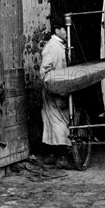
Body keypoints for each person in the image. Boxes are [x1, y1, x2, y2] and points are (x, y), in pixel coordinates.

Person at [39, 17, 74, 169]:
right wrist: (54, 87)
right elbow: (44, 71)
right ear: (57, 30)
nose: (66, 32)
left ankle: (52, 155)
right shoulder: (51, 47)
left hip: (62, 90)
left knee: (58, 122)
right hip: (53, 91)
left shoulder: (61, 45)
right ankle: (61, 156)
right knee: (56, 123)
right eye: (64, 30)